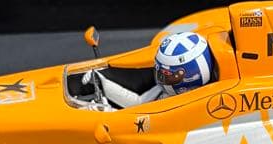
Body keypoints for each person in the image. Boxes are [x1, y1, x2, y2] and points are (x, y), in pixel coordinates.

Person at [85, 31, 218, 108]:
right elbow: (138, 103)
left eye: (168, 74)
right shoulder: (168, 89)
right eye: (160, 71)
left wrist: (107, 114)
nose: (161, 77)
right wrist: (103, 82)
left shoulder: (191, 107)